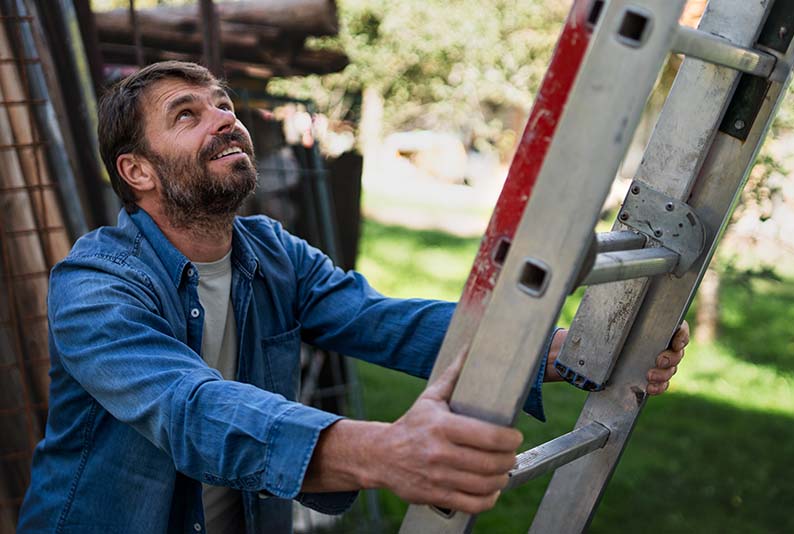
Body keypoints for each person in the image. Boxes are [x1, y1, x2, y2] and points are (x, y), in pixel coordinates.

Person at [17, 61, 688, 533]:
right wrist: (384, 452)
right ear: (137, 171)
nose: (223, 119)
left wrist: (564, 351)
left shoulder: (270, 250)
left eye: (222, 103)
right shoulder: (96, 286)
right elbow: (188, 410)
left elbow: (384, 323)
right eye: (186, 115)